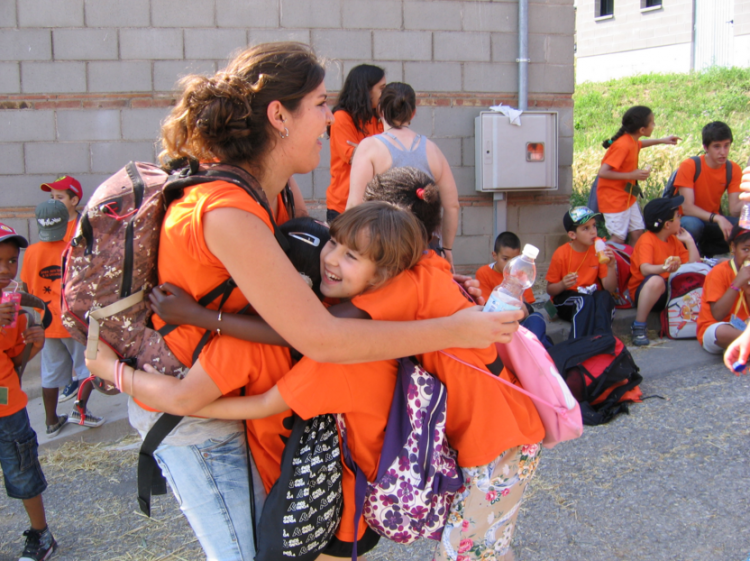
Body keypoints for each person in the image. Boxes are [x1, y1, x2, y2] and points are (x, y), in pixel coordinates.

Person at [84, 42, 522, 561]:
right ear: (279, 116)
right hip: (202, 408)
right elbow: (320, 334)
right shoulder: (226, 212)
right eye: (319, 104)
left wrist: (442, 287)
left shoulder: (277, 195)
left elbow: (330, 289)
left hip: (261, 402)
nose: (331, 119)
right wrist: (455, 329)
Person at [347, 82, 460, 269]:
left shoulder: (369, 148)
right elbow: (452, 205)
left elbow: (354, 205)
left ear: (380, 110)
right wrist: (446, 248)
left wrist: (347, 247)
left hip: (383, 248)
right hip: (424, 249)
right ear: (413, 112)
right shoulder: (432, 150)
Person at [20, 200, 104, 437]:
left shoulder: (31, 253)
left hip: (45, 324)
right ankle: (80, 410)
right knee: (87, 368)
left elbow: (27, 288)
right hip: (73, 321)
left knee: (50, 373)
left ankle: (50, 421)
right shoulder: (73, 249)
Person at [0, 223, 54, 561]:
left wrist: (34, 346)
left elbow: (13, 357)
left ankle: (41, 534)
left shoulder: (13, 306)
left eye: (10, 261)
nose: (6, 269)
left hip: (7, 405)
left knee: (22, 470)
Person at [597, 105, 680, 245]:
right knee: (618, 239)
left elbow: (639, 144)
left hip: (627, 196)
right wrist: (632, 174)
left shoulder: (631, 140)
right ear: (642, 129)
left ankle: (633, 265)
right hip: (614, 199)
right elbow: (603, 172)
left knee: (637, 231)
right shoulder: (623, 145)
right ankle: (605, 262)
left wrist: (662, 140)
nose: (654, 125)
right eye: (652, 123)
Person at [628, 196, 700, 346]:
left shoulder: (673, 240)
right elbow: (645, 269)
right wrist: (665, 268)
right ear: (668, 224)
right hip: (646, 293)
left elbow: (694, 265)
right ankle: (639, 326)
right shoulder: (647, 240)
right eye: (678, 216)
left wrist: (689, 241)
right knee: (656, 280)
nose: (681, 219)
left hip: (669, 292)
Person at [40, 175, 83, 402]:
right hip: (52, 303)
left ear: (74, 200)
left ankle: (81, 395)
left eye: (59, 197)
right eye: (51, 197)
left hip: (74, 302)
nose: (54, 202)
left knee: (79, 351)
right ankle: (71, 382)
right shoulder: (49, 227)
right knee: (57, 354)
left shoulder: (82, 227)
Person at [326, 64, 386, 222]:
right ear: (366, 90)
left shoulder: (377, 118)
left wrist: (366, 152)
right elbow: (356, 158)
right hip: (344, 207)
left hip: (372, 206)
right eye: (382, 88)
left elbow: (387, 155)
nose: (384, 94)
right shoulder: (341, 117)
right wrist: (375, 155)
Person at [546, 206, 618, 339]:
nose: (593, 232)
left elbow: (610, 288)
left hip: (589, 296)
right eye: (586, 228)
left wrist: (611, 266)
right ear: (572, 235)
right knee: (583, 301)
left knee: (604, 297)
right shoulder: (561, 254)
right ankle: (578, 345)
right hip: (566, 299)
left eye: (594, 226)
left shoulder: (598, 250)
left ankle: (603, 340)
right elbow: (550, 290)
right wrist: (563, 284)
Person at [674, 121, 742, 256]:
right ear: (705, 147)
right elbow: (687, 208)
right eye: (717, 147)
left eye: (726, 146)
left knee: (743, 227)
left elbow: (734, 210)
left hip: (713, 221)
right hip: (687, 220)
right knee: (693, 225)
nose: (723, 152)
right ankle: (685, 256)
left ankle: (714, 253)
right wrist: (718, 218)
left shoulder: (733, 168)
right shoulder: (691, 165)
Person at [476, 231, 551, 347]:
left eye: (514, 259)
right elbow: (485, 306)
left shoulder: (521, 274)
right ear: (494, 255)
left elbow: (527, 306)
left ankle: (543, 354)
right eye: (505, 259)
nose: (510, 264)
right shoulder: (484, 273)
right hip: (496, 324)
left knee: (537, 319)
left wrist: (522, 306)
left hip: (518, 322)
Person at [697, 226, 750, 355]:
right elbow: (718, 314)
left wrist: (748, 291)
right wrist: (737, 283)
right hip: (718, 327)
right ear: (733, 247)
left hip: (745, 326)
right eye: (745, 249)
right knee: (720, 331)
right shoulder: (719, 272)